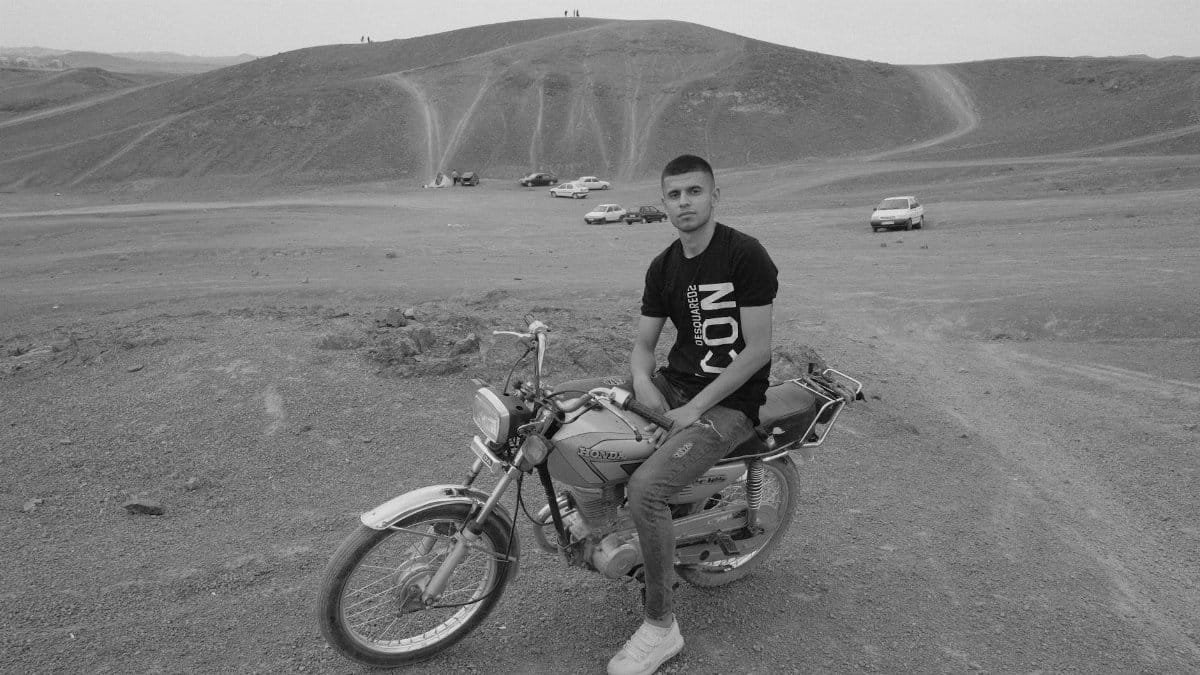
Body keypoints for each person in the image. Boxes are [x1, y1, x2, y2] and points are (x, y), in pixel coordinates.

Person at [606, 154, 778, 675]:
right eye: (675, 194)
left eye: (694, 192)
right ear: (663, 204)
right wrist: (642, 383)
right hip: (675, 384)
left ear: (714, 195)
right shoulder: (664, 265)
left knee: (648, 490)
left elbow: (758, 350)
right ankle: (604, 536)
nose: (685, 202)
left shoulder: (745, 255)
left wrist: (692, 410)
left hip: (730, 403)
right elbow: (643, 347)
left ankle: (661, 627)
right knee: (582, 417)